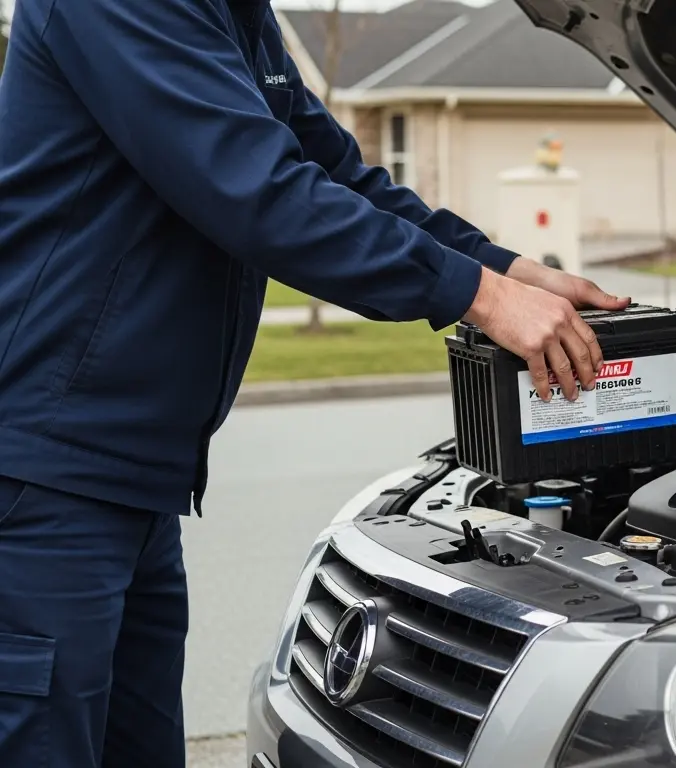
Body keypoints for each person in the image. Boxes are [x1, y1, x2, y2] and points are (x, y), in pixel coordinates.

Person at [0, 0, 629, 765]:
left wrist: (507, 269)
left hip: (134, 480)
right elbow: (258, 192)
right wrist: (482, 298)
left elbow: (333, 174)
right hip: (43, 469)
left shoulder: (234, 13)